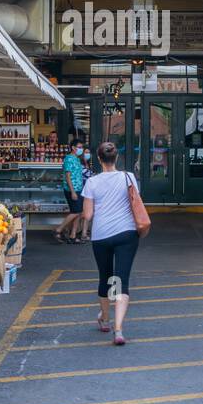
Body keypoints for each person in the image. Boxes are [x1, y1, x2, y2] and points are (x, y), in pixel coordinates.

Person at [82, 141, 141, 346]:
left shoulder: (92, 182)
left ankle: (105, 319)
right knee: (120, 279)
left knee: (105, 277)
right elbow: (135, 203)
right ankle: (118, 330)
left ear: (99, 159)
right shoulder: (128, 177)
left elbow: (88, 215)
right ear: (116, 158)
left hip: (102, 235)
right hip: (126, 233)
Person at [55, 142, 85, 244]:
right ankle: (58, 229)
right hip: (72, 190)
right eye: (79, 147)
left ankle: (73, 235)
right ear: (73, 147)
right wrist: (73, 192)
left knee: (78, 212)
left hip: (79, 189)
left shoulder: (77, 159)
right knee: (75, 212)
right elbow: (68, 176)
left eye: (82, 147)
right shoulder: (69, 159)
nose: (81, 149)